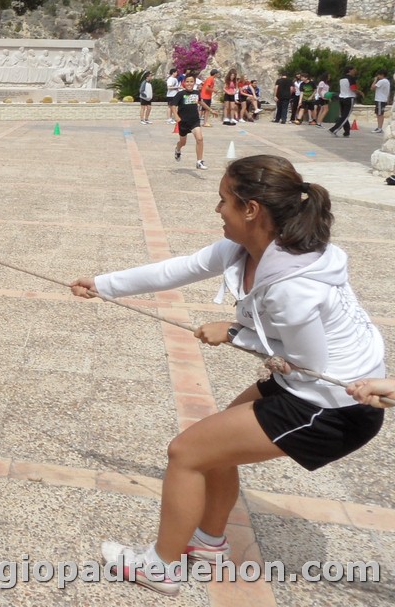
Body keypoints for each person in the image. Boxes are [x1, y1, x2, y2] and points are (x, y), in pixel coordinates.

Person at [69, 154, 386, 595]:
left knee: (185, 453)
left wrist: (236, 333)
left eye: (223, 200)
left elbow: (307, 364)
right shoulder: (249, 248)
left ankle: (160, 567)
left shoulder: (294, 285)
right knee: (212, 448)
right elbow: (176, 268)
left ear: (251, 209)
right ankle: (210, 542)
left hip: (333, 406)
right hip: (302, 387)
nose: (217, 209)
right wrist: (101, 284)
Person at [173, 74, 208, 170]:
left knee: (200, 139)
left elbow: (200, 102)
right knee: (183, 142)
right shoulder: (180, 94)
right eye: (187, 81)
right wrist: (176, 116)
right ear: (184, 82)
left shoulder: (196, 93)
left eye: (191, 81)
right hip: (183, 122)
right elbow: (172, 105)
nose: (189, 83)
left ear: (194, 82)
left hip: (194, 121)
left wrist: (211, 110)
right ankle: (178, 149)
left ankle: (199, 161)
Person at [328, 67, 358, 137]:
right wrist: (360, 92)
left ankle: (346, 132)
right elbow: (353, 88)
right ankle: (334, 129)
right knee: (345, 116)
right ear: (350, 70)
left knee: (343, 115)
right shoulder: (351, 78)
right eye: (354, 70)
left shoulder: (341, 79)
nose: (355, 71)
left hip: (342, 98)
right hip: (349, 98)